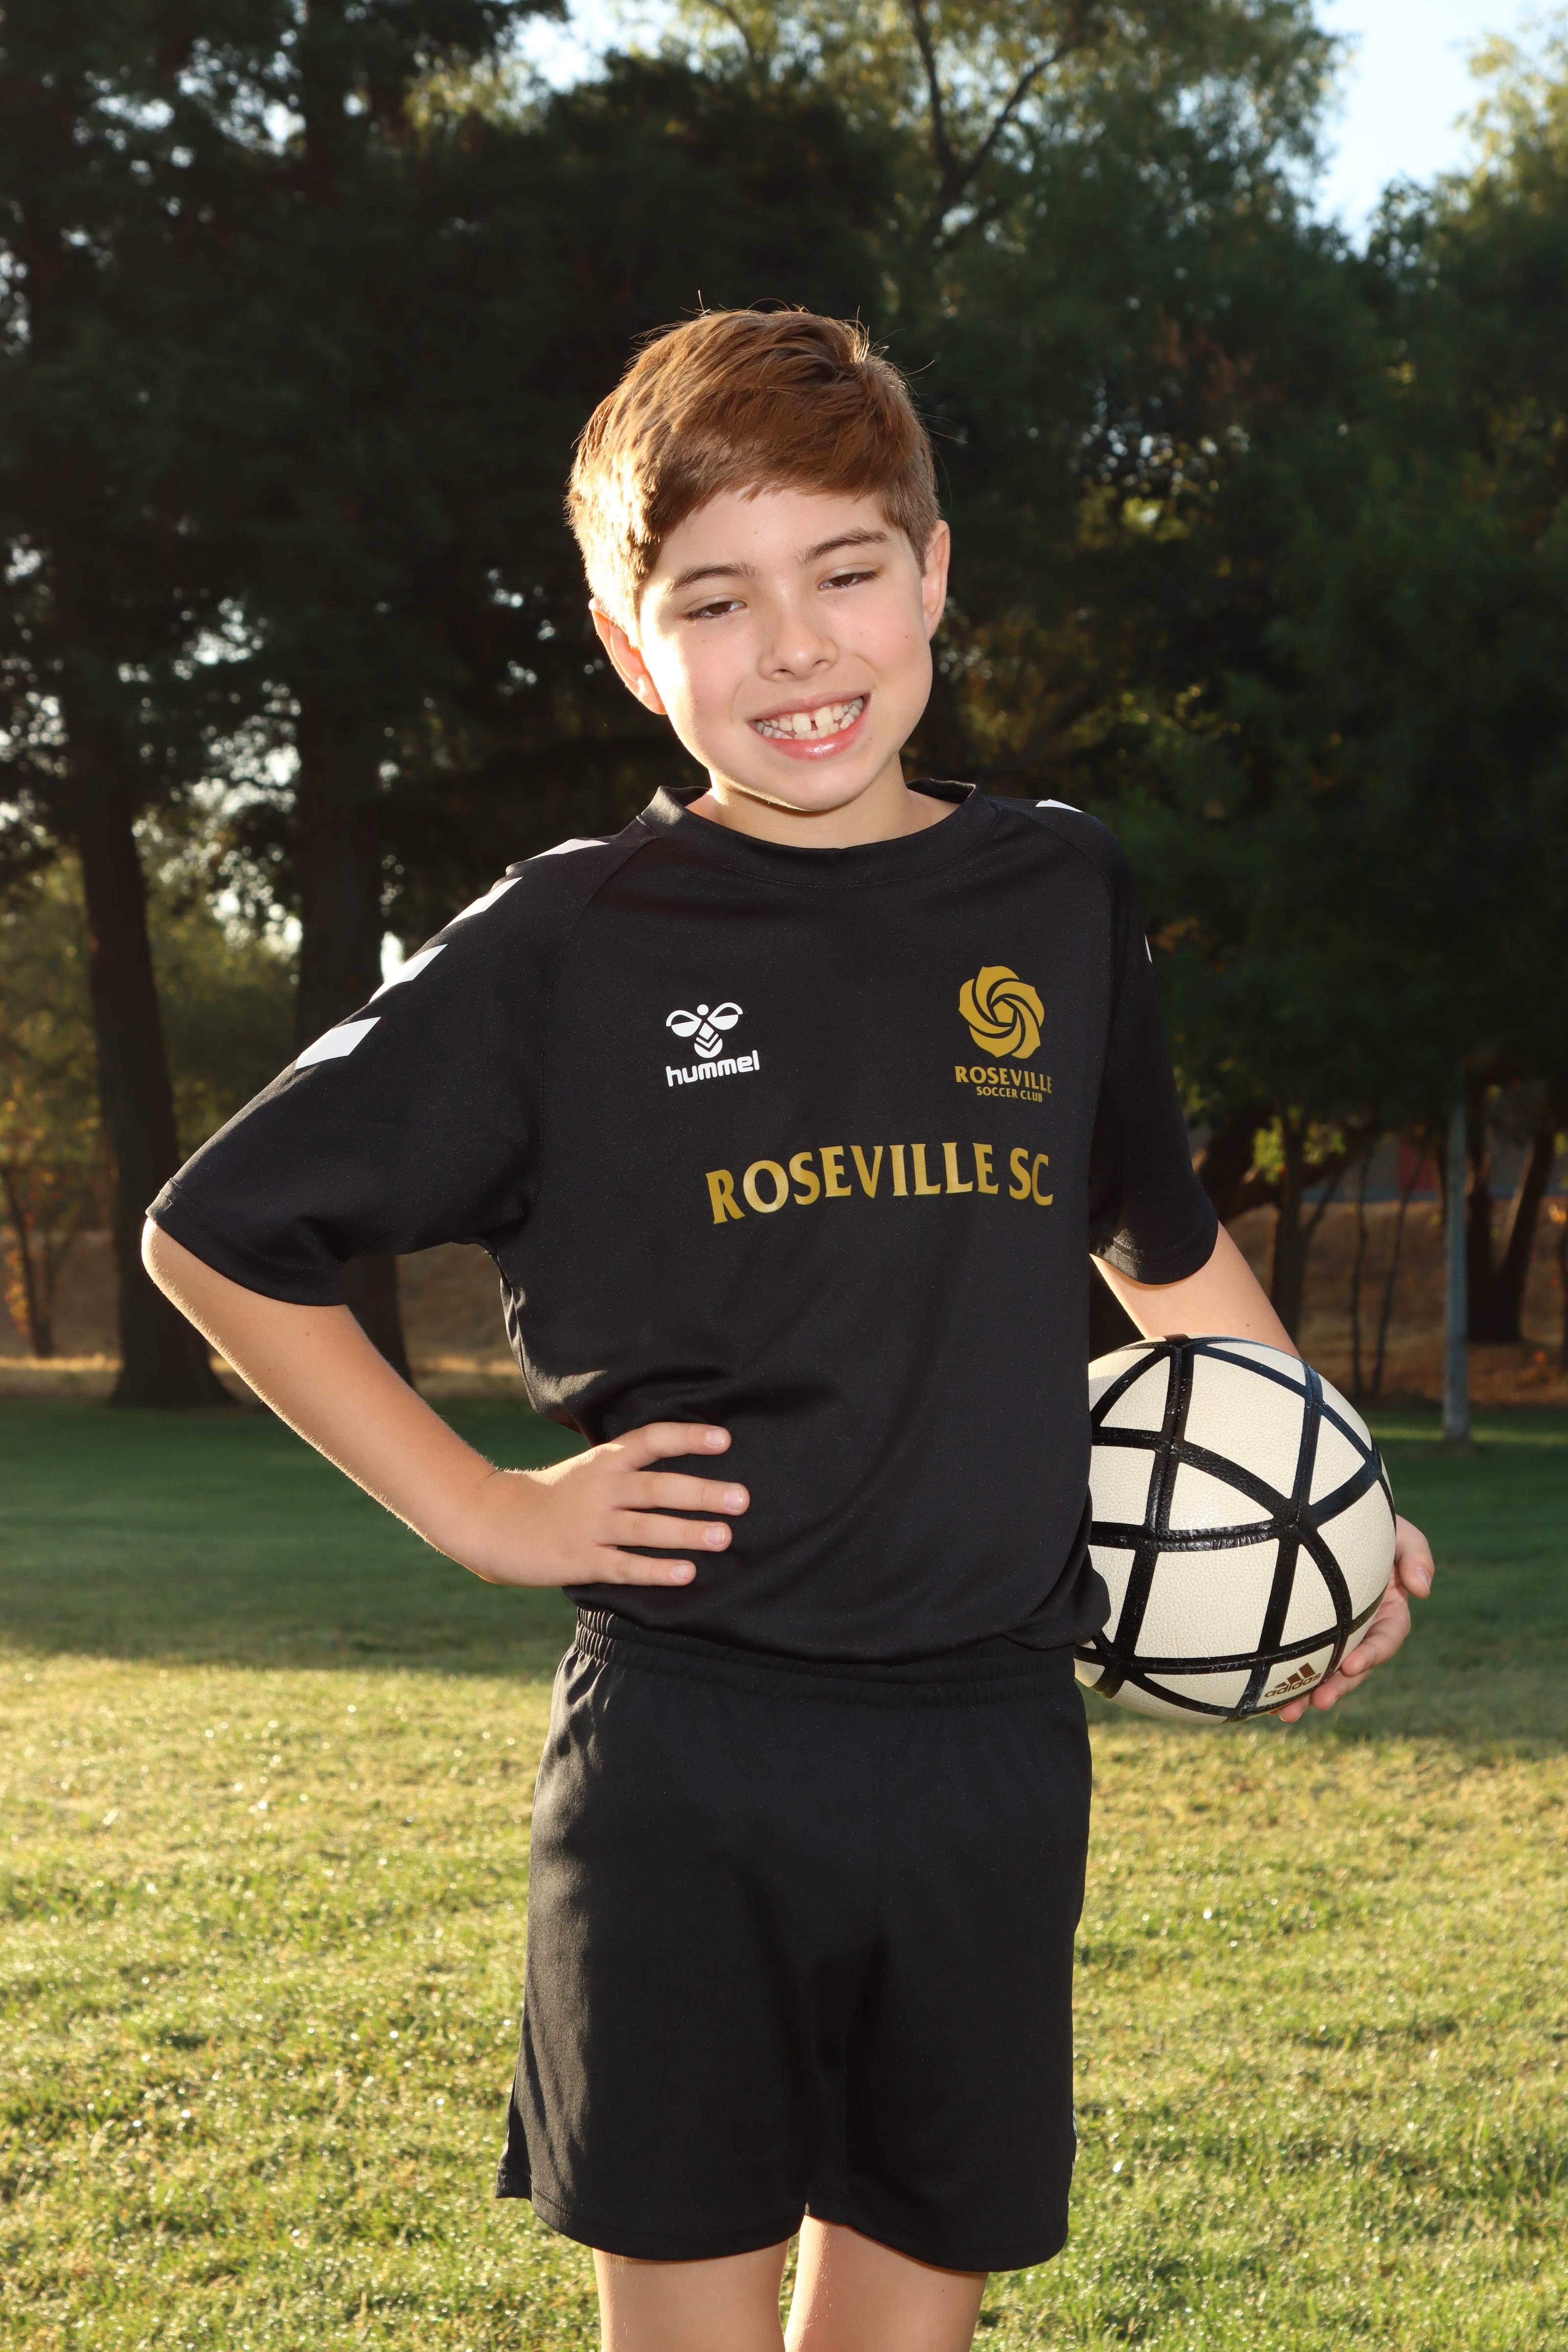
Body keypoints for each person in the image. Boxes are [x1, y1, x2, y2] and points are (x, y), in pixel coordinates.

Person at [143, 309, 1435, 2352]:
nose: (797, 648)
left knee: (912, 2326)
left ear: (934, 572)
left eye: (844, 570)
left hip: (994, 1741)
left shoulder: (1059, 894)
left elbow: (1159, 1247)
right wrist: (485, 1510)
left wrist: (1324, 1513)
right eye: (713, 601)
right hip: (693, 1754)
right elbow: (219, 1233)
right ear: (626, 643)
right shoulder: (569, 940)